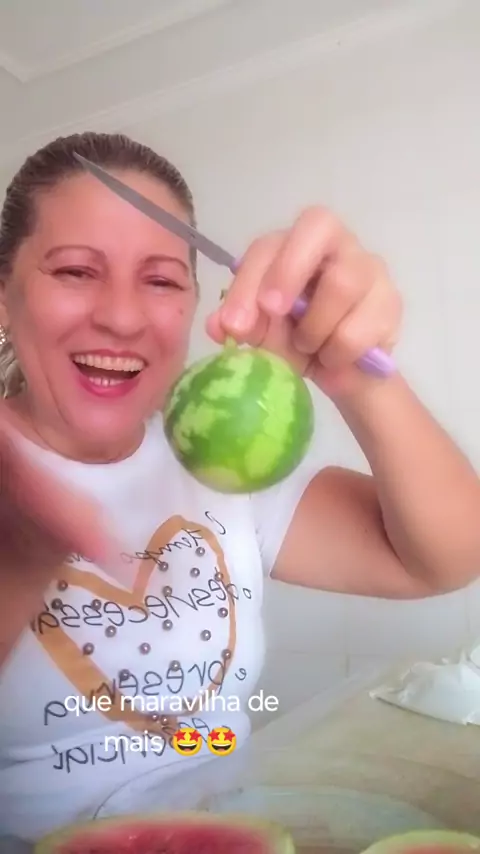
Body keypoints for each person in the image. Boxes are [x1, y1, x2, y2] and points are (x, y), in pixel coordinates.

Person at [0, 131, 479, 841]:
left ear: (196, 303)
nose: (122, 317)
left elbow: (445, 557)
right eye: (75, 271)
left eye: (161, 280)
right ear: (4, 296)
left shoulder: (220, 468)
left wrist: (351, 367)